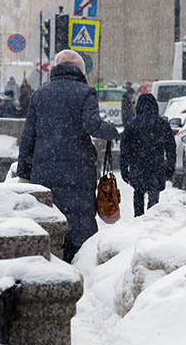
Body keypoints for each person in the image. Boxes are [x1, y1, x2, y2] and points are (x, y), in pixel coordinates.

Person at [17, 49, 119, 263]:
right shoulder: (85, 93)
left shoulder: (40, 94)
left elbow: (28, 137)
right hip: (77, 171)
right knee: (79, 224)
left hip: (44, 173)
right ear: (80, 70)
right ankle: (79, 269)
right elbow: (92, 125)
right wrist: (111, 131)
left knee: (49, 222)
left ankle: (49, 268)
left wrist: (24, 172)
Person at [120, 93, 176, 217]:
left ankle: (139, 218)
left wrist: (124, 168)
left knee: (138, 194)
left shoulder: (132, 125)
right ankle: (152, 219)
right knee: (154, 196)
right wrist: (170, 166)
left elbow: (125, 149)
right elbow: (171, 147)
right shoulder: (162, 124)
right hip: (156, 166)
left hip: (138, 167)